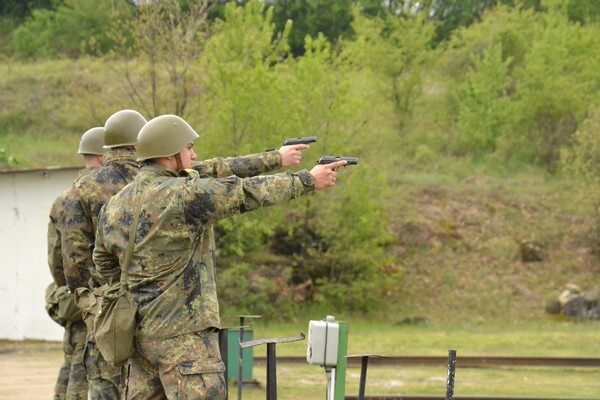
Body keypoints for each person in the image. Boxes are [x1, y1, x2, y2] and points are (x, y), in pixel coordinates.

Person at [93, 114, 345, 399]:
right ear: (168, 154)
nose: (194, 154)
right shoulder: (182, 195)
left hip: (140, 340)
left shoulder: (114, 205)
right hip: (185, 342)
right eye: (188, 148)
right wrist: (307, 180)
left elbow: (102, 263)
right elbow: (244, 192)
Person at [61, 109, 147, 399]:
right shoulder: (161, 181)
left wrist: (89, 303)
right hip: (155, 304)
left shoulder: (83, 187)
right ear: (140, 143)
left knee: (104, 384)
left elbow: (72, 259)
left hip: (107, 306)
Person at [46, 127, 105, 400]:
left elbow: (57, 260)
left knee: (73, 373)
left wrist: (72, 290)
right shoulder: (110, 195)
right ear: (105, 157)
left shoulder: (64, 200)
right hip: (106, 307)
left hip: (77, 305)